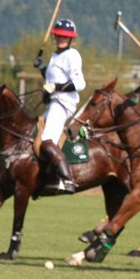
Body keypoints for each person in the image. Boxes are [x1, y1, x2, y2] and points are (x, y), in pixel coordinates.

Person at [33, 18, 86, 193]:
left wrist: (56, 87)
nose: (62, 38)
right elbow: (53, 79)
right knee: (34, 131)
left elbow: (80, 83)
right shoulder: (56, 56)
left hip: (63, 104)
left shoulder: (72, 55)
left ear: (71, 39)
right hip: (53, 103)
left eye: (66, 36)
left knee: (47, 141)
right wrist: (42, 68)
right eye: (59, 36)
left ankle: (67, 180)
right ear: (55, 37)